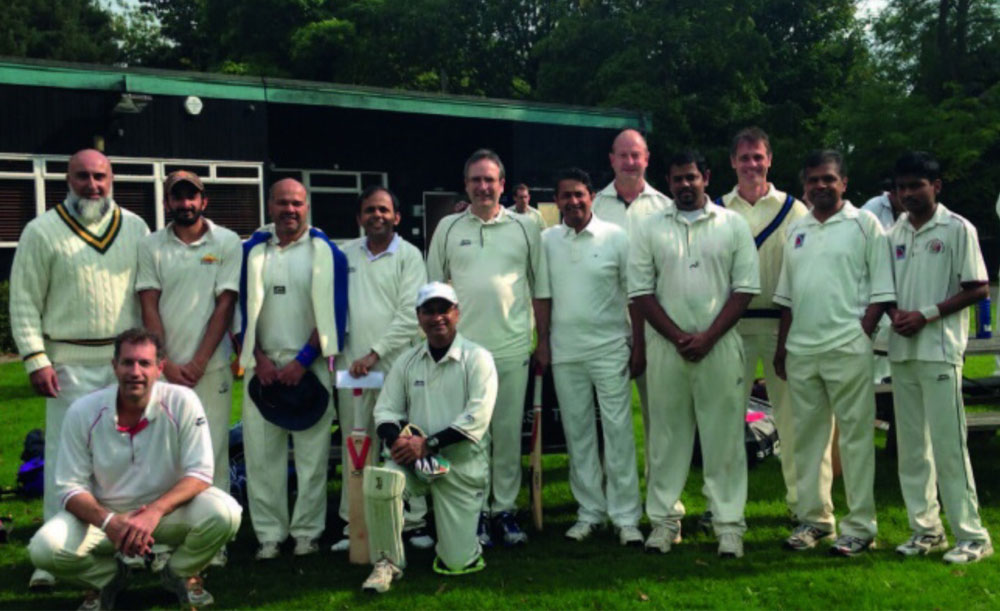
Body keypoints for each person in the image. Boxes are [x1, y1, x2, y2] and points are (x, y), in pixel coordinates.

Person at [9, 148, 149, 589]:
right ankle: (51, 557)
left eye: (100, 177)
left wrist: (147, 359)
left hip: (123, 365)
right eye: (83, 177)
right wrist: (36, 358)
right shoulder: (41, 231)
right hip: (67, 363)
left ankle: (132, 545)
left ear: (112, 179)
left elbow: (148, 295)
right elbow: (25, 300)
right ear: (67, 180)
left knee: (128, 459)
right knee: (64, 462)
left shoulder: (136, 228)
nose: (92, 185)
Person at [27, 328, 242, 609]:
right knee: (43, 550)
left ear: (160, 368)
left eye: (145, 363)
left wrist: (153, 512)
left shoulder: (182, 401)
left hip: (166, 514)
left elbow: (200, 474)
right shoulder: (82, 411)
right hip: (103, 519)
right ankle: (108, 578)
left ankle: (179, 573)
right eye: (127, 362)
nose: (135, 372)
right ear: (114, 366)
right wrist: (110, 523)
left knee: (227, 514)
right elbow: (69, 488)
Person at [628, 150, 760, 558]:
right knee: (666, 439)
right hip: (666, 350)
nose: (685, 185)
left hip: (719, 348)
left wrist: (708, 337)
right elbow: (640, 291)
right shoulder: (649, 228)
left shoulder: (732, 225)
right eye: (677, 179)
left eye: (692, 178)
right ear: (668, 182)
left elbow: (745, 289)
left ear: (706, 177)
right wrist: (676, 337)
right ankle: (665, 522)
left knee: (723, 440)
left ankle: (728, 526)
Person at [426, 149, 550, 546]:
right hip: (462, 354)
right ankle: (473, 510)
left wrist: (542, 341)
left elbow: (541, 288)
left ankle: (504, 511)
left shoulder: (526, 227)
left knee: (507, 434)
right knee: (467, 436)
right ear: (466, 185)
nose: (483, 187)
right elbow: (433, 290)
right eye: (475, 180)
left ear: (502, 184)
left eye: (489, 180)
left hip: (512, 349)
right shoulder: (447, 227)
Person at [773, 150, 895, 556]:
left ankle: (860, 525)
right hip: (802, 350)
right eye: (812, 180)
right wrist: (782, 348)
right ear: (804, 185)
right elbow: (787, 298)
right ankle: (815, 520)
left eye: (828, 179)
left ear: (844, 182)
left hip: (847, 349)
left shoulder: (865, 224)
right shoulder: (796, 230)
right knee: (808, 440)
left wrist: (861, 334)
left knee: (855, 439)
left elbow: (882, 289)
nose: (820, 186)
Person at [887, 151, 993, 564]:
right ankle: (925, 529)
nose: (909, 193)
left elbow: (978, 287)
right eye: (902, 187)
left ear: (937, 187)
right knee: (912, 447)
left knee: (949, 446)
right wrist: (895, 313)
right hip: (902, 351)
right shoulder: (894, 232)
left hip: (940, 350)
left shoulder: (956, 228)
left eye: (917, 185)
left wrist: (926, 315)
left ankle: (972, 534)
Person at [360, 282, 497, 593]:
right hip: (417, 464)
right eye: (429, 311)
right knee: (382, 482)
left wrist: (428, 444)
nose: (437, 318)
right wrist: (398, 442)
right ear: (418, 316)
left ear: (457, 313)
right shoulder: (406, 361)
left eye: (444, 310)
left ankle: (465, 535)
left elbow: (476, 420)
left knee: (457, 563)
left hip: (460, 467)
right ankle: (386, 563)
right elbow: (385, 412)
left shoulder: (478, 358)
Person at [238, 178, 347, 561]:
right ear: (270, 205)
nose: (290, 210)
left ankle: (307, 533)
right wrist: (261, 360)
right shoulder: (251, 251)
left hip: (310, 366)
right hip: (261, 367)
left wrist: (302, 362)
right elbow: (239, 313)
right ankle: (269, 535)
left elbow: (336, 313)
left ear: (307, 206)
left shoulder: (326, 253)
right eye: (283, 203)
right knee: (262, 458)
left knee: (312, 459)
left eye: (297, 203)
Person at [136, 170, 241, 568]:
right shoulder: (150, 246)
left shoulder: (227, 242)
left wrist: (198, 362)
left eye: (191, 197)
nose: (185, 204)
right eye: (177, 198)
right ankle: (166, 539)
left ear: (204, 201)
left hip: (209, 369)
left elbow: (224, 306)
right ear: (167, 203)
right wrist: (165, 363)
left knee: (210, 452)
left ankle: (217, 541)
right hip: (163, 373)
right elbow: (149, 303)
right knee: (166, 455)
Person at [541, 168, 643, 546]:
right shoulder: (547, 240)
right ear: (557, 201)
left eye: (579, 194)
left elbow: (634, 295)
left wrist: (638, 346)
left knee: (617, 433)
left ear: (592, 197)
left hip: (610, 348)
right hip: (567, 352)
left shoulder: (617, 238)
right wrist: (545, 343)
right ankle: (589, 512)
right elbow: (543, 297)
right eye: (565, 196)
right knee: (578, 434)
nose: (573, 202)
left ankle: (626, 516)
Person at [715, 127, 811, 518]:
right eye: (744, 157)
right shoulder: (717, 209)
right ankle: (724, 507)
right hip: (731, 329)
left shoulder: (794, 210)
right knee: (723, 421)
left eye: (758, 156)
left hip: (779, 326)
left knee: (792, 421)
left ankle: (802, 504)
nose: (751, 164)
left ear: (770, 159)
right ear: (732, 162)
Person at [331, 186, 428, 552]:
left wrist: (373, 353)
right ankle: (353, 523)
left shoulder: (410, 256)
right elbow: (336, 310)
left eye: (384, 210)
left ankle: (413, 521)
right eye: (370, 210)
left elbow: (409, 316)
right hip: (351, 371)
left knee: (401, 443)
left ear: (397, 216)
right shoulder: (344, 255)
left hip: (397, 367)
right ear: (359, 218)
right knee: (357, 447)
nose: (377, 216)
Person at [591, 129, 672, 480]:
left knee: (661, 416)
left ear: (647, 158)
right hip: (606, 325)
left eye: (635, 155)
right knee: (611, 416)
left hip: (655, 326)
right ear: (611, 159)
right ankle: (614, 494)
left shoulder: (665, 207)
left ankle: (664, 501)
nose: (629, 162)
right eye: (622, 155)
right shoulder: (594, 206)